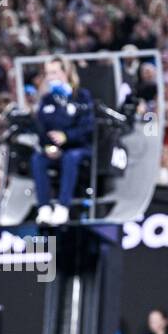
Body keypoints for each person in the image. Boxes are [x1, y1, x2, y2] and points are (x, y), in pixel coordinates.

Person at [30, 56, 95, 226]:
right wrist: (49, 147)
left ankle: (62, 208)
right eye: (48, 73)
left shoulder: (82, 96)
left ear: (66, 72)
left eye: (54, 72)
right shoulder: (47, 100)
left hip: (80, 149)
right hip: (55, 150)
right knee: (38, 159)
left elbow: (88, 128)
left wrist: (66, 137)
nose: (50, 77)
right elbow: (42, 130)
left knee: (70, 157)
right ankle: (44, 208)